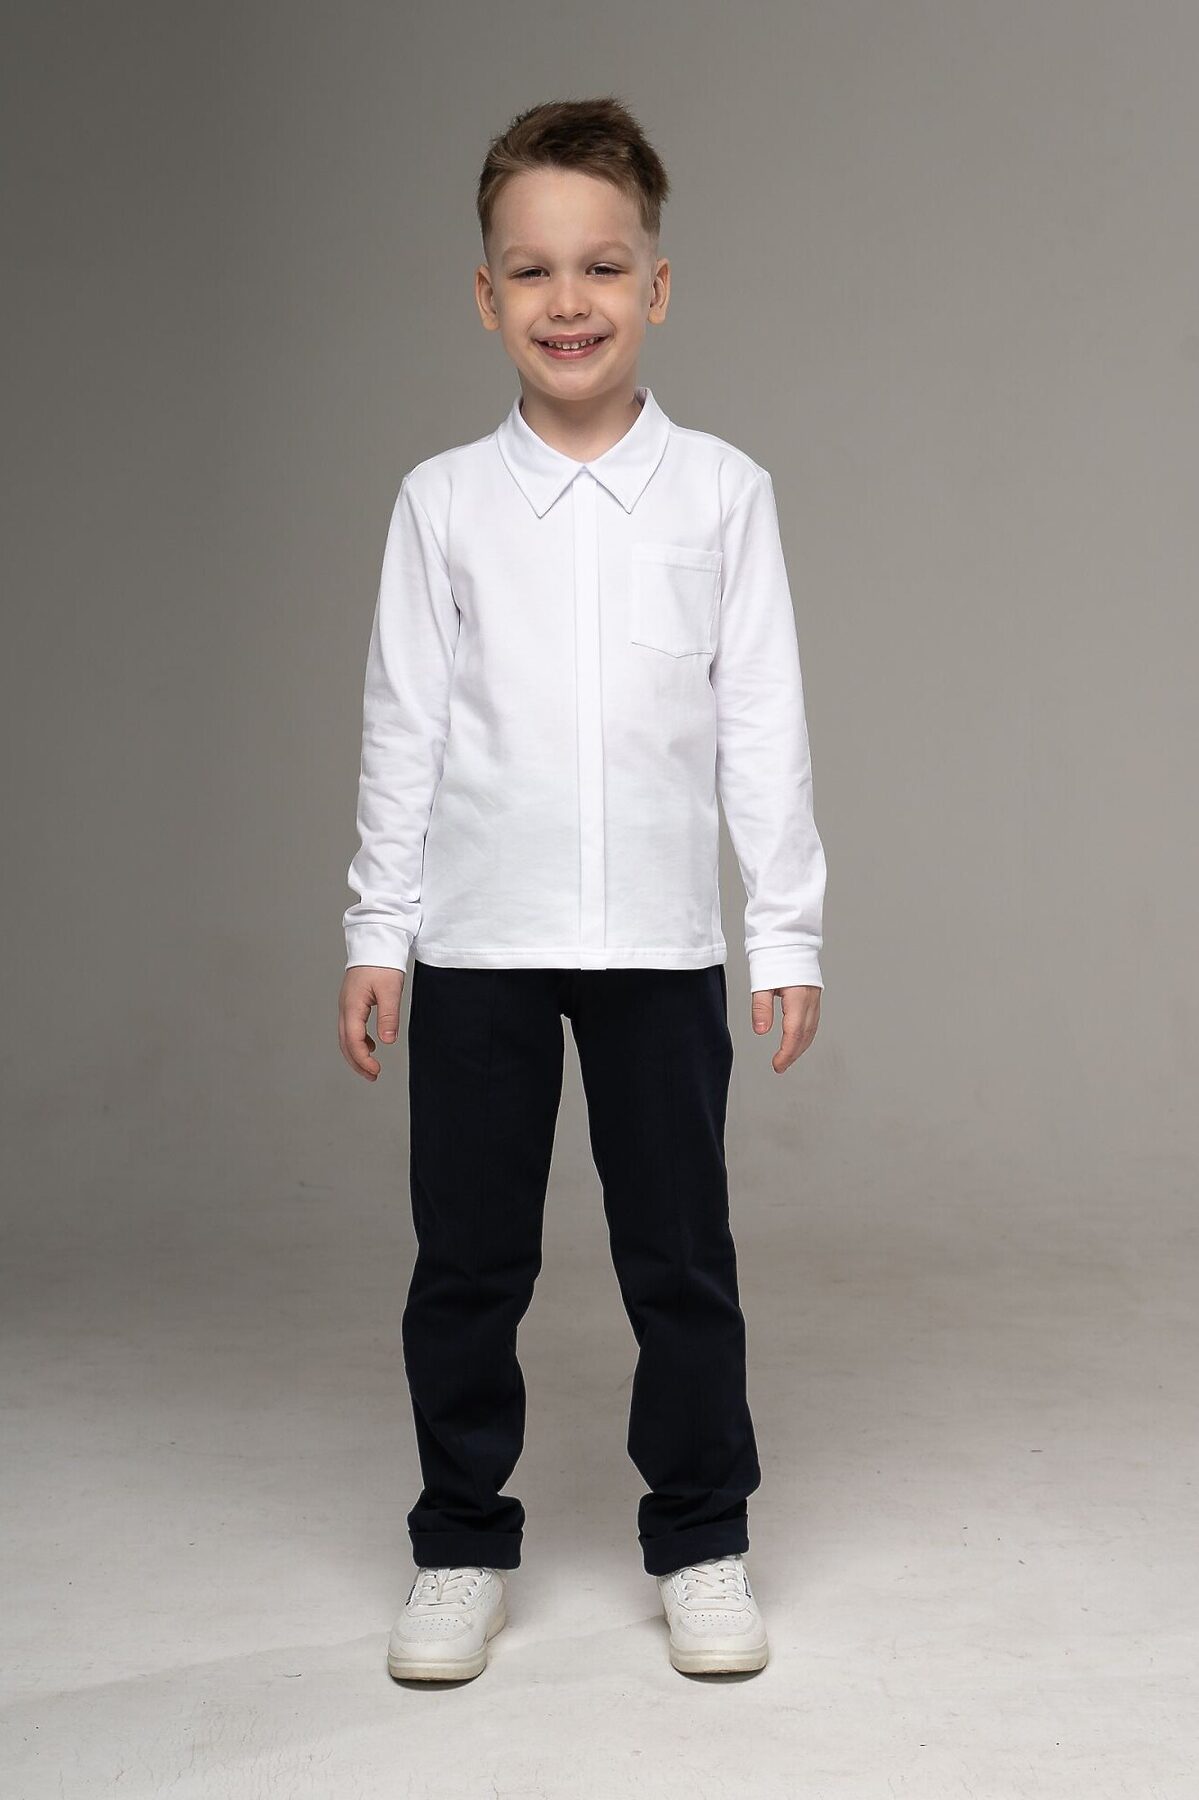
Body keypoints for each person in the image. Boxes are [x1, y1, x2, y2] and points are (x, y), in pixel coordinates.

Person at [337, 95, 827, 1682]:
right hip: (479, 942)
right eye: (534, 271)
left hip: (660, 948)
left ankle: (703, 1536)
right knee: (469, 1262)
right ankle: (458, 1545)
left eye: (603, 267)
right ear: (486, 295)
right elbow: (404, 727)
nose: (570, 301)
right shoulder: (443, 503)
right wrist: (377, 932)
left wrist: (787, 929)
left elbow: (763, 725)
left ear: (656, 287)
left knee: (678, 1259)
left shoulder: (723, 494)